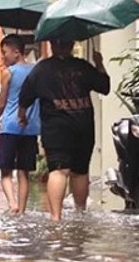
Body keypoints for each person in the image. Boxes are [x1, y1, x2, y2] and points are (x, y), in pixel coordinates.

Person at [18, 39, 110, 221]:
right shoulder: (83, 66)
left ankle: (56, 217)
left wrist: (22, 115)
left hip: (55, 127)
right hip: (83, 125)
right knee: (80, 171)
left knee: (59, 170)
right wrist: (99, 63)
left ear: (52, 44)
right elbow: (104, 87)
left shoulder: (41, 69)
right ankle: (80, 213)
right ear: (71, 44)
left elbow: (25, 96)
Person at [0, 34, 40, 214]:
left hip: (10, 127)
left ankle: (12, 204)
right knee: (24, 172)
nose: (3, 57)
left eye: (4, 53)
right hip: (30, 129)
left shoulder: (8, 72)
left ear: (17, 52)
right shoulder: (36, 71)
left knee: (6, 172)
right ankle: (22, 209)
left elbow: (2, 101)